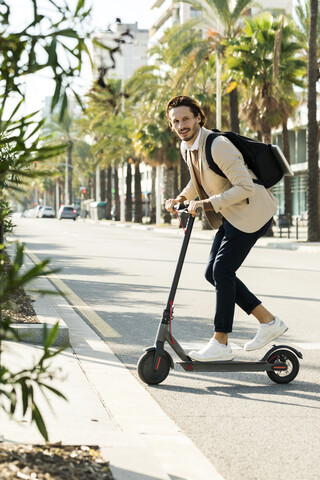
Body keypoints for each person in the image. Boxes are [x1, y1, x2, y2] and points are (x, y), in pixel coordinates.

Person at [165, 95, 288, 362]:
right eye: (176, 121)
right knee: (213, 272)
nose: (181, 125)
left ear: (199, 117)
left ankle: (221, 342)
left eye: (186, 118)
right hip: (231, 215)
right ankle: (268, 322)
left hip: (252, 212)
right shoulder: (187, 148)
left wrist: (206, 204)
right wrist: (181, 199)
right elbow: (198, 179)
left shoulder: (218, 144)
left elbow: (244, 187)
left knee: (222, 270)